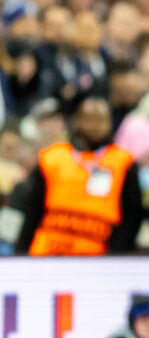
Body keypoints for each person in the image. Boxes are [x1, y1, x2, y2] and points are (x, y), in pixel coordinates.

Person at [16, 96, 141, 255]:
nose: (94, 126)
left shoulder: (123, 161)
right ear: (77, 121)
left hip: (97, 254)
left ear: (110, 123)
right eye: (89, 119)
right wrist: (21, 252)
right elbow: (33, 211)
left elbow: (133, 216)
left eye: (100, 120)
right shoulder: (52, 157)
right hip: (48, 251)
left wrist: (116, 254)